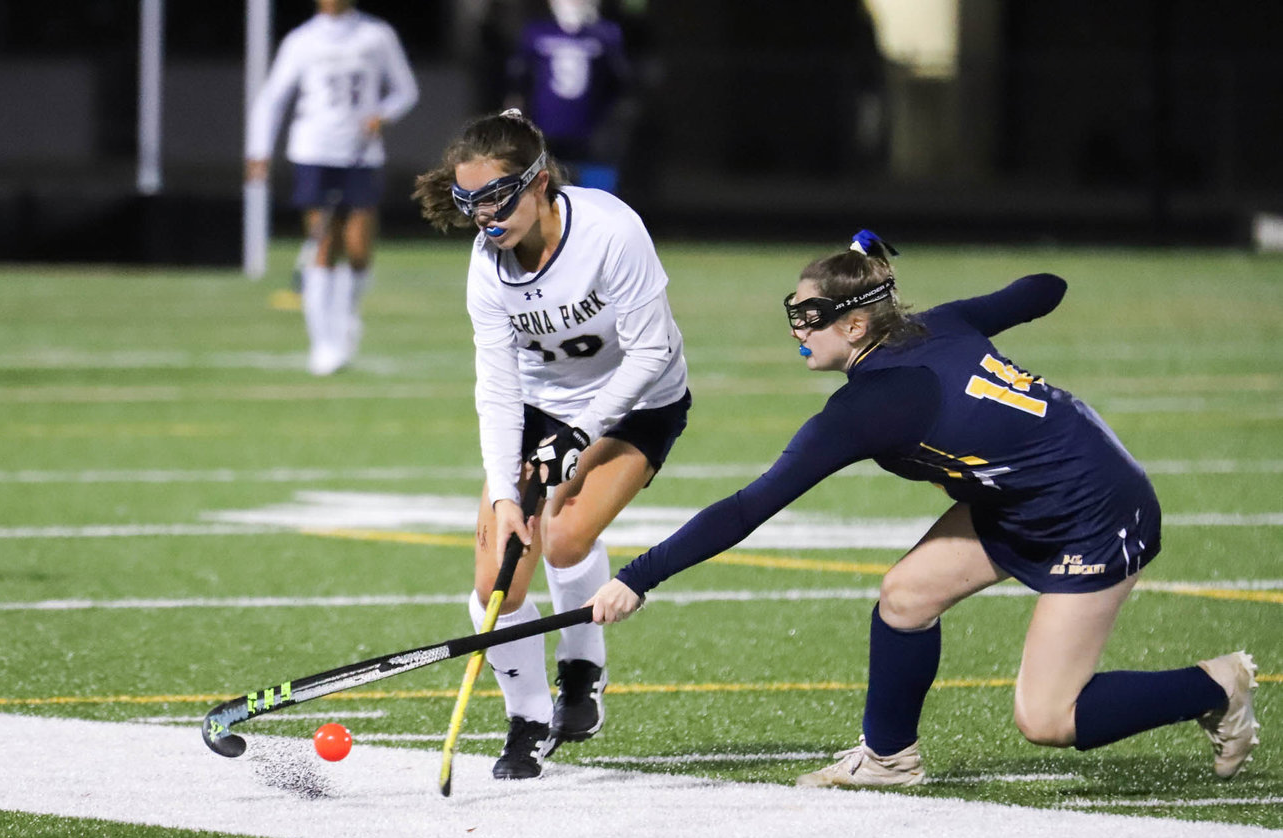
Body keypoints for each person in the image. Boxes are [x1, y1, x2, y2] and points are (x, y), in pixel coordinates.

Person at [589, 231, 1260, 786]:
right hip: (1015, 497)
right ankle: (889, 758)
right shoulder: (935, 325)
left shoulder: (866, 409)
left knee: (1048, 717)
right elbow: (1044, 288)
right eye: (792, 312)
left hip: (1093, 511)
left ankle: (1216, 685)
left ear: (854, 324)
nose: (797, 331)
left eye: (809, 318)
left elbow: (747, 508)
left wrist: (636, 576)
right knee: (905, 597)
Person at [412, 109, 692, 779]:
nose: (484, 218)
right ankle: (527, 718)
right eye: (468, 202)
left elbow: (650, 350)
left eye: (496, 198)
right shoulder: (487, 267)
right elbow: (498, 384)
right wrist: (507, 494)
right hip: (541, 409)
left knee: (565, 539)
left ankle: (582, 668)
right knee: (494, 588)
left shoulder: (610, 231)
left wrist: (581, 436)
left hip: (637, 403)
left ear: (539, 184)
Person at [246, 0, 419, 376]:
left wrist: (382, 116)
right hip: (314, 150)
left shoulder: (376, 35)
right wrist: (258, 149)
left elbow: (406, 90)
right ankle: (323, 344)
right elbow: (273, 97)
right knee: (322, 244)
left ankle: (345, 319)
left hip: (361, 153)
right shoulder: (302, 40)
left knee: (358, 248)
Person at [505, 0, 633, 193]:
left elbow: (620, 85)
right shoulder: (536, 32)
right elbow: (518, 83)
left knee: (591, 194)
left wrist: (611, 126)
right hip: (543, 130)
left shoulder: (606, 34)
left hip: (590, 134)